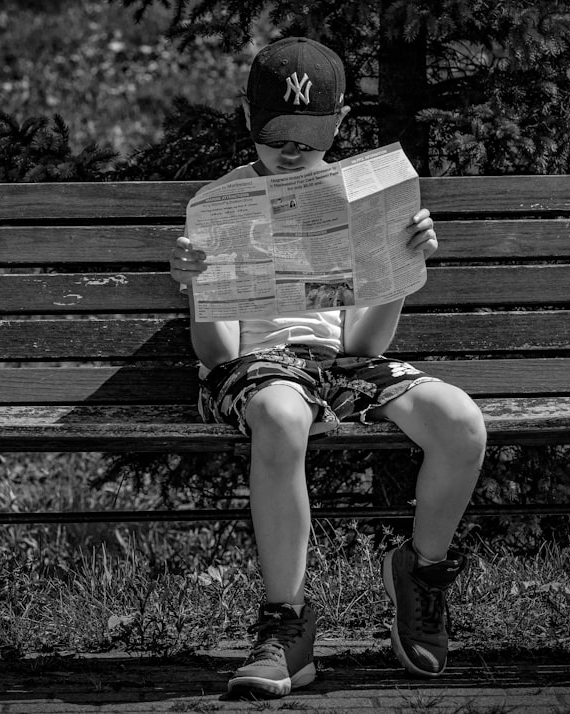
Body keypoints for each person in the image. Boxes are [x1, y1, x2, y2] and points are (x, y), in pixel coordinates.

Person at [169, 37, 486, 698]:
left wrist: (402, 270)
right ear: (248, 121)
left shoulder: (357, 199)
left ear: (339, 123)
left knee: (460, 422)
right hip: (257, 368)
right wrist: (201, 286)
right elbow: (217, 356)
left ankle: (420, 574)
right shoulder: (222, 203)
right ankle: (286, 626)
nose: (291, 153)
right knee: (283, 414)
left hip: (337, 366)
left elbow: (365, 347)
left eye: (308, 140)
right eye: (278, 137)